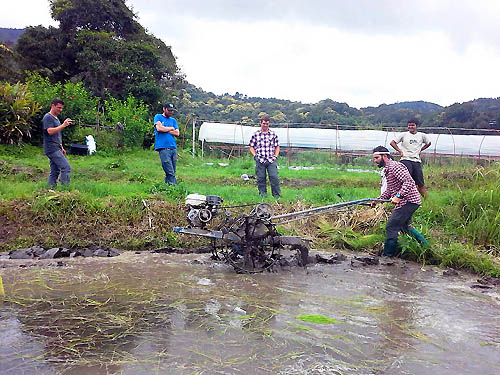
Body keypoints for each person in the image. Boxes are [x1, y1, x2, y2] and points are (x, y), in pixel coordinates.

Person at [371, 146, 428, 257]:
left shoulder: (395, 167)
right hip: (407, 201)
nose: (375, 161)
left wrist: (398, 196)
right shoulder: (387, 169)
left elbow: (409, 182)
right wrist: (377, 201)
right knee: (404, 226)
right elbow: (389, 190)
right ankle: (426, 247)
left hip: (409, 201)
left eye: (376, 158)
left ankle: (387, 256)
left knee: (391, 227)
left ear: (385, 156)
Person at [390, 118, 431, 198]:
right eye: (409, 125)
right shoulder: (403, 135)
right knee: (406, 181)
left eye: (412, 125)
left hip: (416, 161)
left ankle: (427, 200)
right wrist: (400, 151)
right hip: (405, 160)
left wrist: (420, 150)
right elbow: (392, 143)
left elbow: (428, 143)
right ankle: (400, 199)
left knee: (420, 183)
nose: (410, 127)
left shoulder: (422, 135)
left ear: (416, 126)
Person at [42, 98, 73, 188]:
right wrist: (63, 125)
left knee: (55, 171)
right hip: (51, 148)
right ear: (53, 106)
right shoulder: (48, 117)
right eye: (59, 107)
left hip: (56, 147)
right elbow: (50, 131)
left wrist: (61, 147)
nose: (60, 110)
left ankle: (50, 189)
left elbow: (57, 135)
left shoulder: (56, 119)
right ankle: (65, 190)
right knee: (66, 167)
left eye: (61, 108)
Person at [249, 116, 281, 198]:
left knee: (274, 177)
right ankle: (263, 196)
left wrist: (275, 156)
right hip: (260, 160)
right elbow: (251, 146)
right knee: (261, 178)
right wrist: (255, 156)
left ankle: (277, 196)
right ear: (261, 123)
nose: (265, 125)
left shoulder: (273, 134)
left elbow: (277, 146)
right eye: (264, 123)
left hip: (271, 160)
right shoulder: (256, 134)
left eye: (267, 124)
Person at [154, 103, 179, 185]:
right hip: (163, 148)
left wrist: (165, 129)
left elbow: (177, 133)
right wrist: (171, 128)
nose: (171, 112)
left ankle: (167, 187)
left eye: (172, 111)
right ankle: (175, 187)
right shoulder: (158, 117)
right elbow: (159, 128)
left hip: (173, 147)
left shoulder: (173, 120)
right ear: (164, 109)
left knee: (172, 170)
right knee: (169, 171)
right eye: (169, 110)